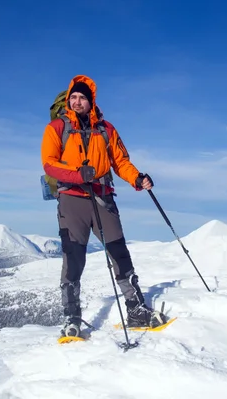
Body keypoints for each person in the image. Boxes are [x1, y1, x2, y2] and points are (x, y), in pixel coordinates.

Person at [41, 75, 167, 337]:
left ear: (91, 101)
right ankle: (71, 319)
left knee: (119, 251)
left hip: (102, 196)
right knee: (73, 257)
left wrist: (137, 177)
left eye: (82, 98)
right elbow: (49, 163)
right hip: (72, 198)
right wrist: (78, 174)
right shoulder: (56, 128)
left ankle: (136, 309)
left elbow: (120, 161)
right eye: (73, 97)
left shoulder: (106, 129)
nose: (76, 102)